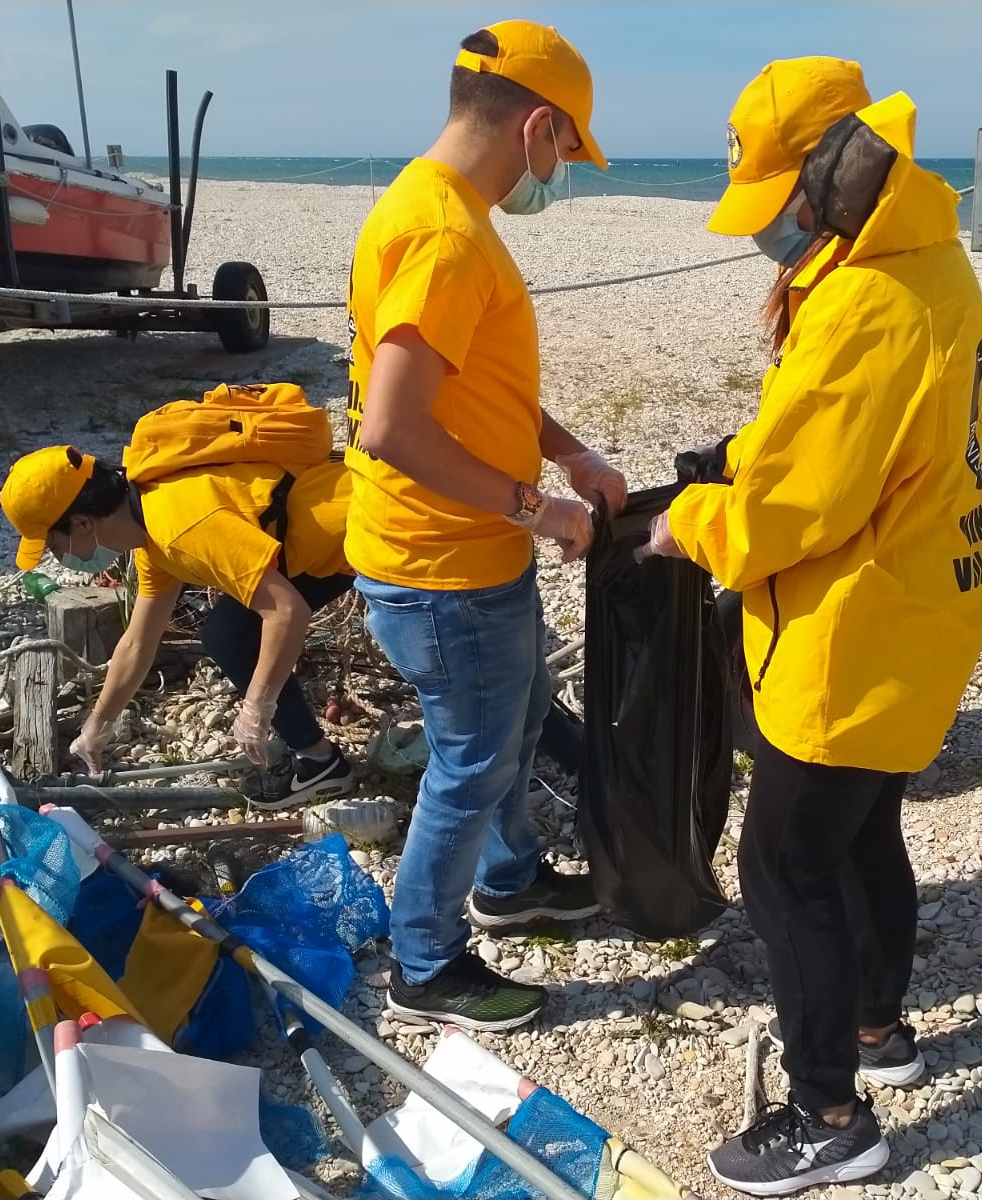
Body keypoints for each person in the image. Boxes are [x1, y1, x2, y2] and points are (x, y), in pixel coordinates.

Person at [640, 59, 982, 1195]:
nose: (769, 234)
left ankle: (829, 1114)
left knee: (784, 859)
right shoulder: (930, 261)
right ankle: (883, 1031)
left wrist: (687, 517)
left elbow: (785, 519)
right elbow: (849, 442)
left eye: (775, 204)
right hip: (924, 609)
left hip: (853, 630)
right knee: (864, 825)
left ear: (826, 177)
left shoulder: (861, 302)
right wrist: (743, 454)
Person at [344, 19, 627, 1032]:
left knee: (507, 721)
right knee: (470, 760)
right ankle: (426, 965)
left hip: (454, 552)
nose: (559, 172)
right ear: (538, 126)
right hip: (442, 564)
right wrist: (533, 506)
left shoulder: (437, 206)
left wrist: (566, 451)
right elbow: (389, 428)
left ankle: (508, 882)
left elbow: (477, 385)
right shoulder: (446, 235)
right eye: (565, 152)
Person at [0, 443, 359, 808]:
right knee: (227, 633)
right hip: (322, 528)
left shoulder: (176, 529)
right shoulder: (147, 519)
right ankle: (317, 759)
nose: (59, 557)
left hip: (356, 527)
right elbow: (138, 642)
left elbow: (287, 613)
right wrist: (97, 727)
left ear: (82, 522)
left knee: (231, 636)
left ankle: (318, 764)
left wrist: (257, 706)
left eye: (53, 544)